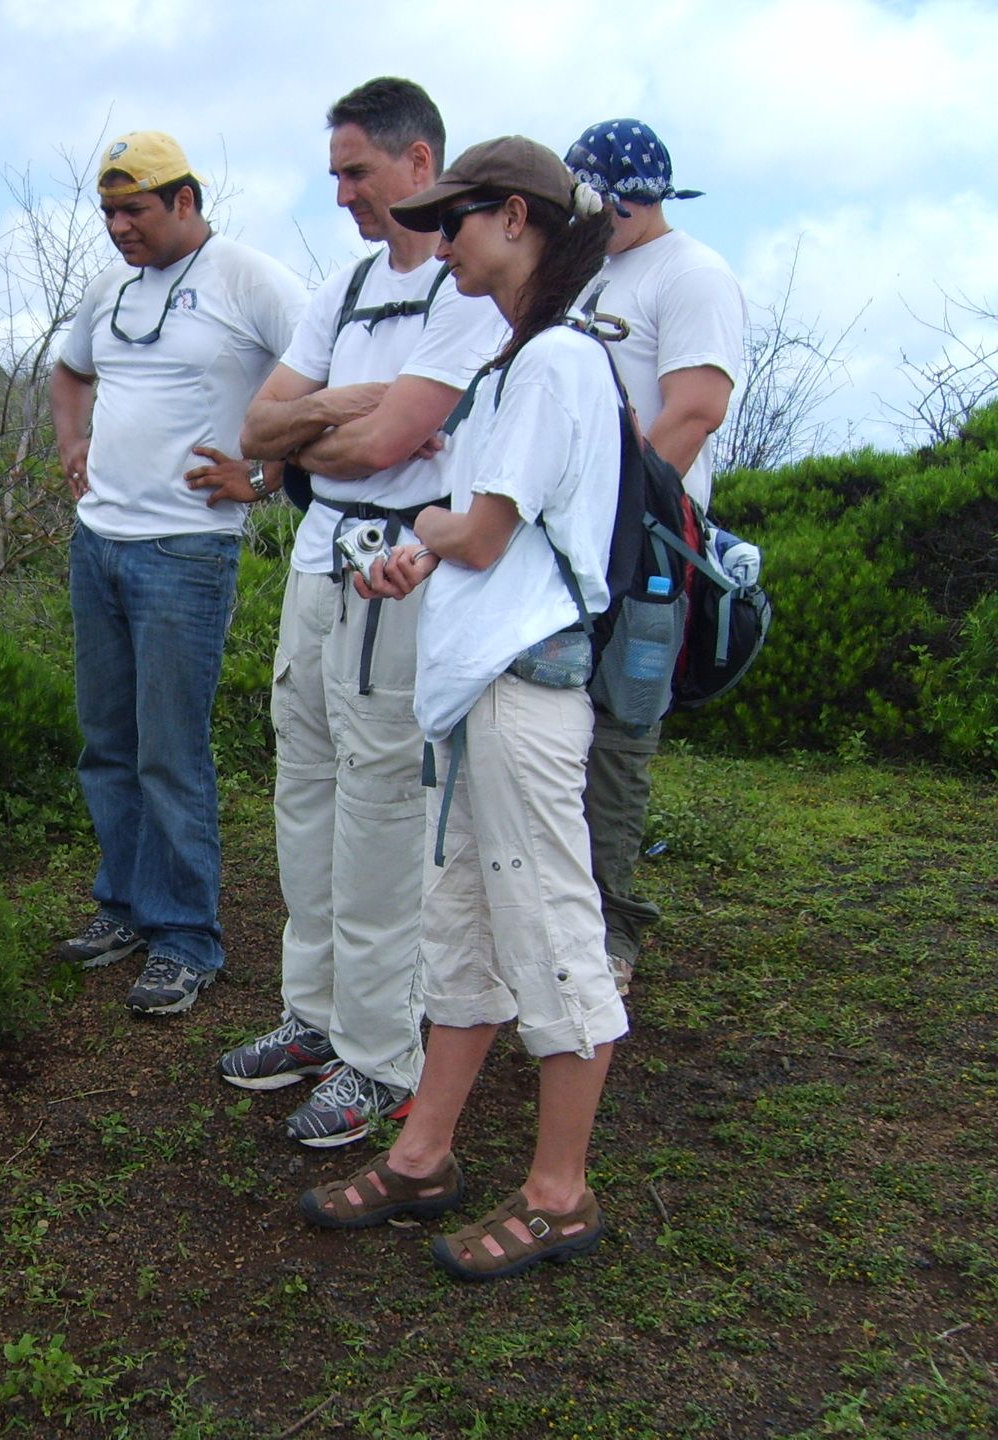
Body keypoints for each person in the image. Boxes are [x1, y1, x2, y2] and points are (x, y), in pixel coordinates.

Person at [297, 138, 627, 1280]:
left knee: (552, 935)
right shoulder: (510, 366)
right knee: (467, 933)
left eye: (459, 219)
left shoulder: (553, 366)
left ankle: (560, 1193)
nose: (440, 241)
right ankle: (426, 1154)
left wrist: (431, 533)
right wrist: (422, 556)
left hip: (524, 697)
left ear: (521, 219)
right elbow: (492, 539)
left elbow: (481, 531)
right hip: (482, 691)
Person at [220, 79, 506, 1147]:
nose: (343, 193)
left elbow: (397, 448)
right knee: (303, 782)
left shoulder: (466, 288)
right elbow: (259, 429)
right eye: (336, 173)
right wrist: (344, 409)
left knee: (383, 799)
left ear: (420, 165)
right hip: (315, 557)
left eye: (358, 172)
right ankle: (314, 1014)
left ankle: (380, 1056)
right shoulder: (342, 288)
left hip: (398, 567)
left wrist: (329, 425)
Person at [51, 132, 305, 1015]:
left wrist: (267, 477)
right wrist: (71, 440)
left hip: (186, 552)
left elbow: (327, 375)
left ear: (185, 201)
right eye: (110, 212)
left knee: (170, 749)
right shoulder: (109, 287)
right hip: (100, 543)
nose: (121, 227)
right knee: (107, 742)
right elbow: (70, 368)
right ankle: (123, 904)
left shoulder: (248, 278)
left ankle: (186, 936)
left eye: (137, 210)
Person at [563, 119, 747, 996]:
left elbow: (697, 406)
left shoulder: (692, 274)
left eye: (610, 201)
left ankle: (612, 930)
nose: (601, 214)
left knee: (622, 732)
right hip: (568, 542)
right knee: (555, 727)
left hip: (647, 547)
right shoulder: (590, 269)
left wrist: (623, 507)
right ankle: (551, 918)